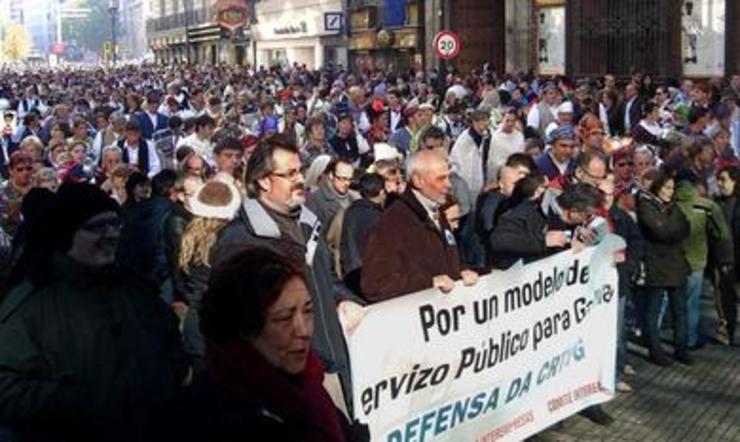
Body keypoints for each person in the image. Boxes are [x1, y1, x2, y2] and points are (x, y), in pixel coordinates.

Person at [0, 183, 187, 442]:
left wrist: (166, 381)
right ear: (67, 234)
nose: (111, 234)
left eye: (114, 225)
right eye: (97, 227)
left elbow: (171, 346)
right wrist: (79, 402)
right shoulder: (32, 303)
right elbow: (7, 386)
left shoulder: (136, 290)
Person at [210, 134, 362, 416]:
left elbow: (328, 279)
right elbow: (230, 329)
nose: (301, 178)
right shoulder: (240, 241)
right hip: (283, 387)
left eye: (300, 170)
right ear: (264, 181)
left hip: (332, 367)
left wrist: (345, 299)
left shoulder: (308, 224)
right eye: (290, 173)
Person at [152, 247, 366, 442]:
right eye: (283, 318)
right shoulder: (206, 418)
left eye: (308, 311)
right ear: (245, 326)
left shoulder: (309, 385)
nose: (303, 331)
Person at [361, 150, 479, 301]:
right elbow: (375, 284)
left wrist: (461, 271)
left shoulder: (437, 211)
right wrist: (427, 283)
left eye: (448, 177)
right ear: (418, 181)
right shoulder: (392, 222)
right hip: (413, 317)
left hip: (444, 313)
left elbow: (444, 261)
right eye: (441, 178)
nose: (449, 184)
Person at [178, 178, 241, 372]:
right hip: (224, 327)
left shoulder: (189, 236)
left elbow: (183, 280)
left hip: (196, 324)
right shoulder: (234, 238)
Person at [636, 171, 691, 366]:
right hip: (656, 263)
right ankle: (655, 350)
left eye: (672, 188)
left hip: (676, 262)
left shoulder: (674, 207)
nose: (671, 192)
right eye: (667, 188)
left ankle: (681, 348)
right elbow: (660, 230)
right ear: (658, 187)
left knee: (680, 310)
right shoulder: (646, 205)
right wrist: (672, 229)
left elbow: (686, 227)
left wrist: (671, 229)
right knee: (653, 310)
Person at [340, 173, 386, 296]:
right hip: (372, 281)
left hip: (351, 277)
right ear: (381, 192)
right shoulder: (379, 218)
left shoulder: (350, 212)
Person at [714, 166, 739, 346]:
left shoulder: (735, 204)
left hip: (733, 260)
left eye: (724, 180)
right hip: (720, 260)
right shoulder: (718, 202)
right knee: (724, 301)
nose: (720, 184)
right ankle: (727, 332)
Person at [449, 109, 492, 205]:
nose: (485, 123)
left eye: (486, 120)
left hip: (479, 182)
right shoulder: (465, 140)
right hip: (466, 183)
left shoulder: (485, 136)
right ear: (474, 122)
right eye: (482, 121)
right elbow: (460, 163)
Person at [306, 157, 355, 229]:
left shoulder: (354, 199)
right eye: (343, 178)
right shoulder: (315, 201)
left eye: (350, 179)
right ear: (331, 175)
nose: (347, 183)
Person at [0, 152, 33, 239]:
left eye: (28, 168)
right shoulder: (3, 194)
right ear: (10, 171)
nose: (25, 172)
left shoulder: (40, 185)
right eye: (20, 169)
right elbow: (5, 224)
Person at [487, 108, 525, 182]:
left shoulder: (519, 137)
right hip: (497, 175)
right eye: (507, 120)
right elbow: (493, 160)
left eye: (512, 121)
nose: (510, 124)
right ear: (503, 119)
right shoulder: (495, 137)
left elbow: (520, 157)